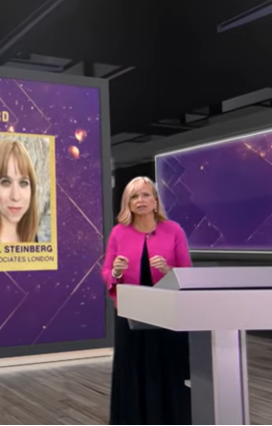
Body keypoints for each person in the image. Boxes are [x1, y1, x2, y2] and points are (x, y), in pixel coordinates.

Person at [102, 176, 192, 425]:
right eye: (133, 196)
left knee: (167, 369)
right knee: (133, 370)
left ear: (155, 201)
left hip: (167, 316)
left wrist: (167, 269)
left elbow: (187, 273)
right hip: (131, 314)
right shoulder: (119, 233)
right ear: (127, 203)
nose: (139, 200)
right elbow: (107, 272)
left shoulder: (173, 230)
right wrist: (117, 272)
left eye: (144, 195)